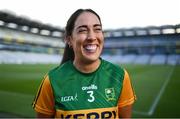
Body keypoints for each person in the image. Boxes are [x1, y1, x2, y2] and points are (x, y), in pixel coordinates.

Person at [32, 8, 136, 118]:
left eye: (97, 29)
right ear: (69, 40)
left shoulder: (119, 75)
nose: (92, 37)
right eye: (82, 30)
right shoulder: (52, 80)